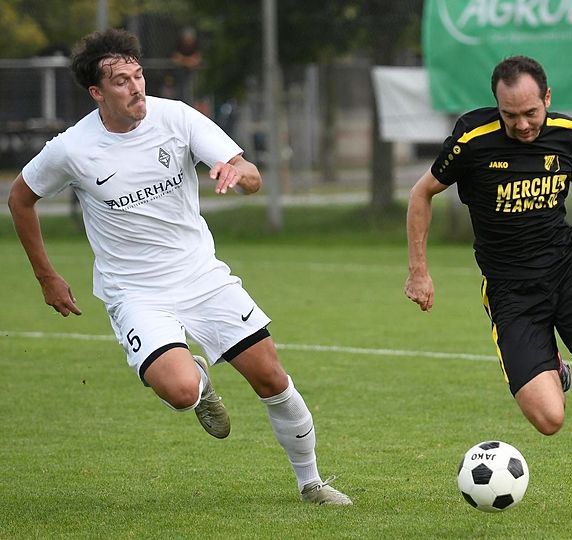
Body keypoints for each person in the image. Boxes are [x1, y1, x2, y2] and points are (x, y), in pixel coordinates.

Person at [6, 29, 350, 505]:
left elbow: (250, 174)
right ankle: (200, 379)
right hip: (135, 293)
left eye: (138, 74)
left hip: (201, 277)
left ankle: (311, 483)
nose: (135, 87)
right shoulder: (73, 148)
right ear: (97, 92)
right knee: (181, 390)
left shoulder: (177, 118)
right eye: (121, 80)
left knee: (271, 377)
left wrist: (239, 172)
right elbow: (20, 199)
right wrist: (47, 276)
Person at [405, 55, 572, 520]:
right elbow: (421, 193)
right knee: (550, 420)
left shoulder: (569, 135)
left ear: (547, 99)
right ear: (497, 105)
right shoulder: (472, 139)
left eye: (531, 113)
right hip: (513, 293)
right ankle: (553, 363)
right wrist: (418, 271)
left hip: (567, 274)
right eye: (510, 114)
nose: (523, 124)